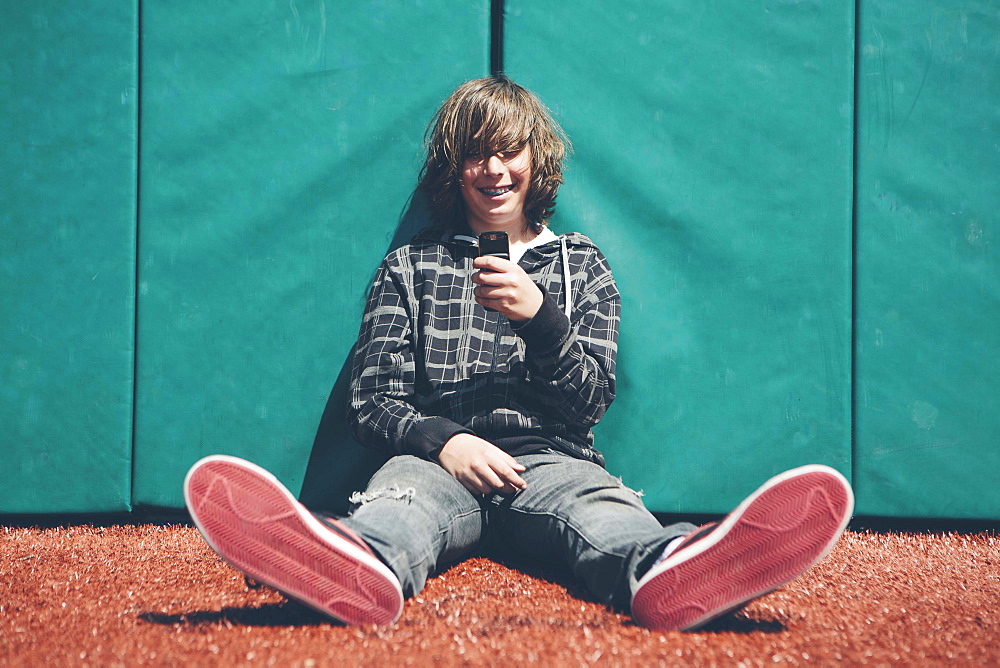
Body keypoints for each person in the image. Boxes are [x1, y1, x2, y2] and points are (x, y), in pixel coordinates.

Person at [183, 75, 854, 631]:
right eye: (477, 154)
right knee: (398, 514)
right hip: (435, 462)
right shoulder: (410, 266)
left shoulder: (580, 263)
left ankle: (672, 566)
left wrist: (540, 318)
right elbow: (372, 400)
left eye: (510, 151)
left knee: (604, 515)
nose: (495, 170)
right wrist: (445, 442)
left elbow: (590, 399)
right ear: (455, 167)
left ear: (537, 159)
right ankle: (352, 563)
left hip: (550, 459)